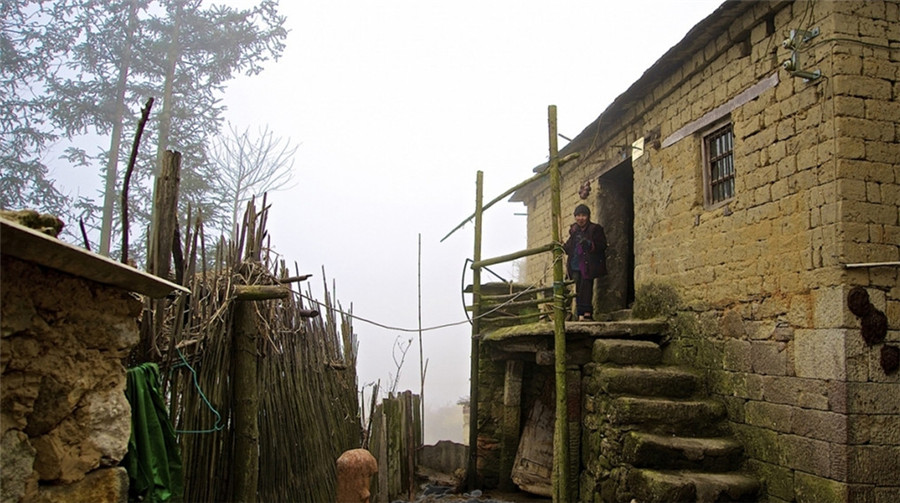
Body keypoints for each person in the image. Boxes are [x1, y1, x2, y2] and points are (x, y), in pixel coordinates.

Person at [563, 204, 607, 320]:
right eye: (578, 215)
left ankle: (587, 313)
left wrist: (589, 244)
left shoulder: (595, 229)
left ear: (588, 216)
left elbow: (602, 245)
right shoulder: (574, 231)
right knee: (578, 289)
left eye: (583, 215)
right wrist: (562, 247)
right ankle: (580, 313)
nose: (580, 218)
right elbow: (569, 247)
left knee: (586, 287)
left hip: (588, 264)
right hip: (575, 264)